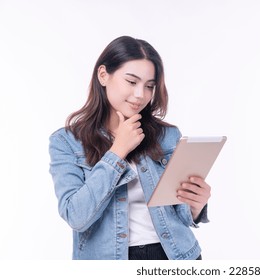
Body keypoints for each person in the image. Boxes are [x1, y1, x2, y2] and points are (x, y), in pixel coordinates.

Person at [48, 36, 210, 260]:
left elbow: (180, 215)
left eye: (149, 86)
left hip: (177, 256)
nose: (140, 95)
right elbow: (76, 216)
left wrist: (196, 205)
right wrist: (117, 152)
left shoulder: (168, 136)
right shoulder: (67, 141)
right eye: (132, 82)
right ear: (103, 75)